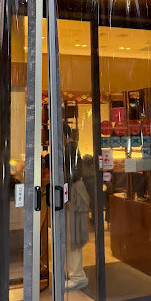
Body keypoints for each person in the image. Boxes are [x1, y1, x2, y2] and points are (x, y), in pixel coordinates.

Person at [63, 123, 90, 292]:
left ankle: (77, 276)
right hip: (72, 191)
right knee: (70, 234)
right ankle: (72, 272)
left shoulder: (70, 148)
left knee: (72, 235)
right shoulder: (71, 147)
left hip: (73, 193)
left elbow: (71, 174)